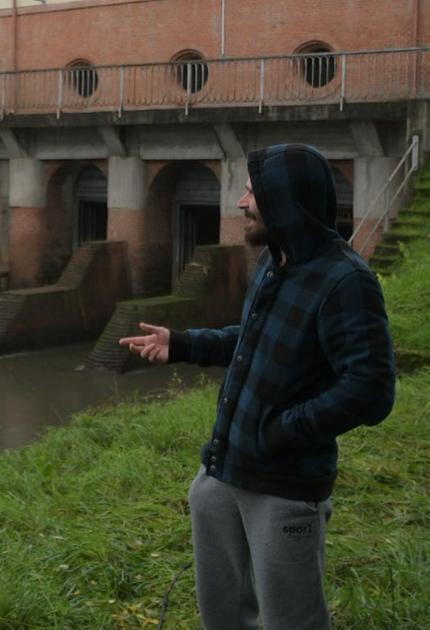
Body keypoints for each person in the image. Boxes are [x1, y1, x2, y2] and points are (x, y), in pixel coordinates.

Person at [118, 144, 395, 629]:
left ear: (285, 200)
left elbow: (371, 390)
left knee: (293, 621)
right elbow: (249, 340)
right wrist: (182, 344)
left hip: (284, 488)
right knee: (222, 615)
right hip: (224, 472)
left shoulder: (345, 281)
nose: (242, 203)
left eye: (252, 192)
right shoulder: (274, 261)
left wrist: (284, 431)